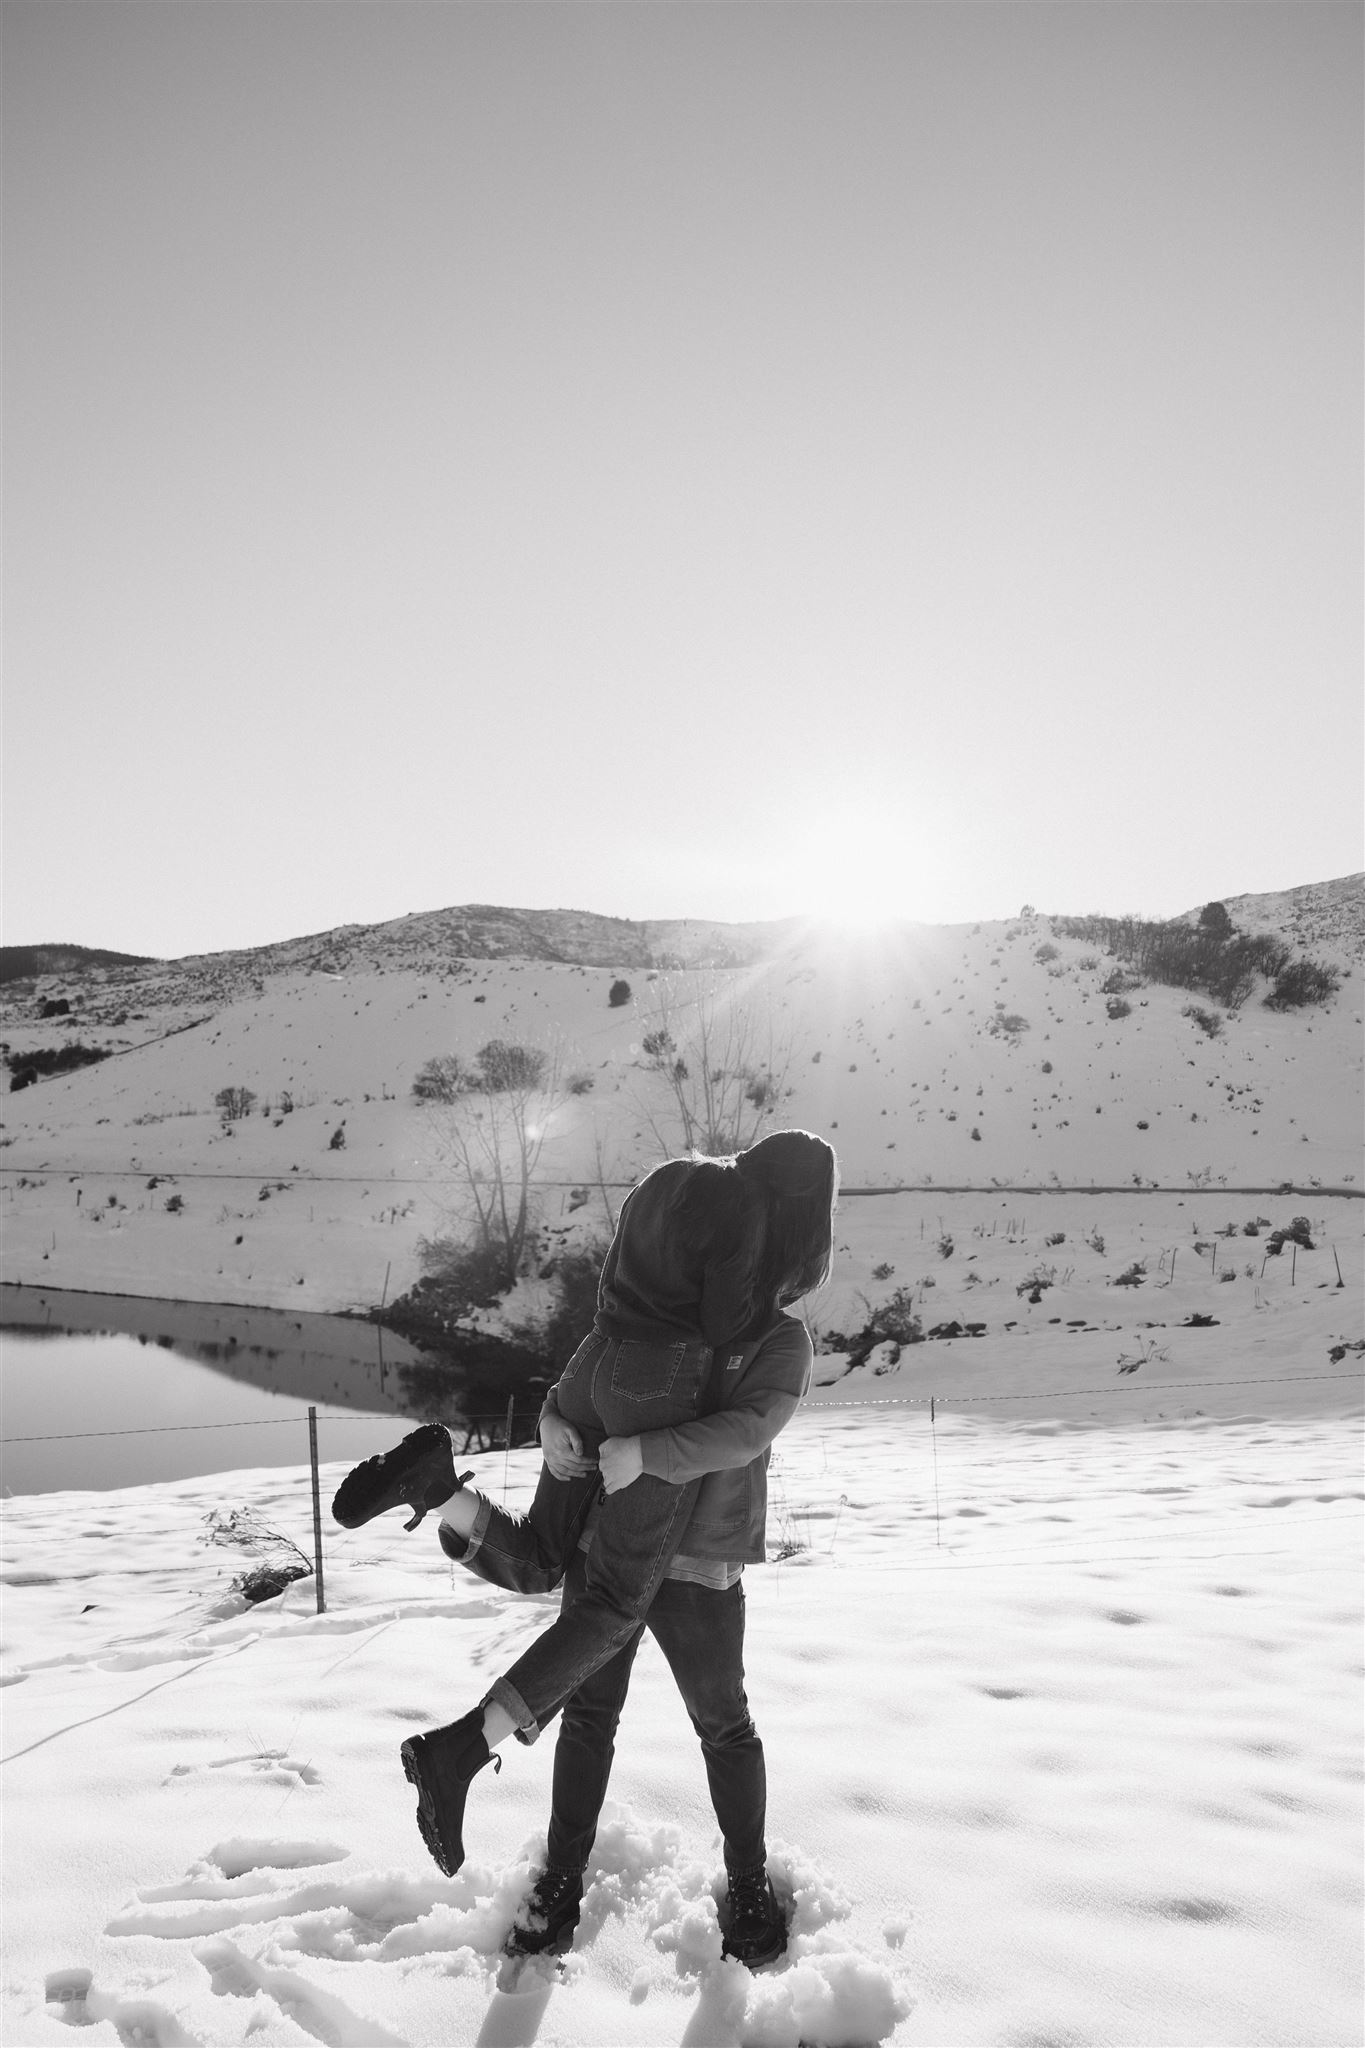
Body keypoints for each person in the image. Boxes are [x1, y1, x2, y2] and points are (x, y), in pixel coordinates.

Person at [332, 1128, 837, 1968]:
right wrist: (552, 1421)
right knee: (589, 1722)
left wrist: (647, 1452)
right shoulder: (668, 1321)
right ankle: (560, 1877)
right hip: (618, 1546)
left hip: (696, 1568)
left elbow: (745, 1433)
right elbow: (597, 1378)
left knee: (724, 1728)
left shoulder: (780, 1342)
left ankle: (745, 1880)